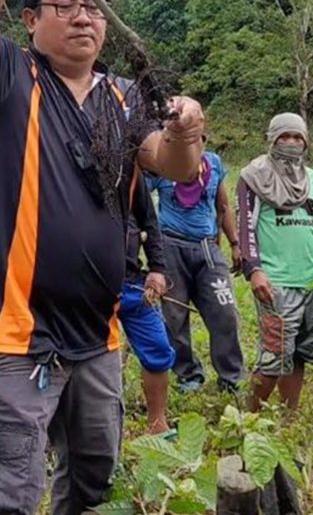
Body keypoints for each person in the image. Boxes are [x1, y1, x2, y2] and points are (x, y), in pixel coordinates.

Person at [0, 0, 204, 515]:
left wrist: (188, 129)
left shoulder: (126, 98)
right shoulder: (5, 75)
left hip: (96, 335)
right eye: (64, 3)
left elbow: (176, 166)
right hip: (11, 337)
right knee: (7, 492)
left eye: (94, 6)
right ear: (31, 20)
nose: (83, 15)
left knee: (91, 482)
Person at [237, 113, 313, 412]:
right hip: (275, 282)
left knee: (299, 353)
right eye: (284, 137)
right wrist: (254, 269)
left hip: (312, 278)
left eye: (297, 137)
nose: (291, 143)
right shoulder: (253, 176)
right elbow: (245, 227)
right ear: (272, 139)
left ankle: (290, 415)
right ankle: (249, 418)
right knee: (274, 356)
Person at [145, 136, 244, 393]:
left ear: (203, 140)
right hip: (170, 246)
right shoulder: (161, 166)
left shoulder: (213, 163)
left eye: (195, 139)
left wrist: (234, 243)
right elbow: (139, 199)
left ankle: (231, 377)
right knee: (174, 317)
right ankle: (188, 374)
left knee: (225, 312)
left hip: (206, 248)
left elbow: (222, 205)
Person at [117, 178, 174, 435]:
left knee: (159, 348)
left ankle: (157, 423)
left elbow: (149, 221)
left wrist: (158, 269)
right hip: (89, 285)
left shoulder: (130, 174)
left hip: (133, 284)